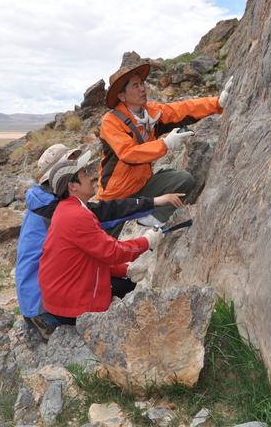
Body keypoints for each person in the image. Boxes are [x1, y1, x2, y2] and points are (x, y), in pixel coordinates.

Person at [15, 143, 183, 338]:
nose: (90, 176)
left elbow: (83, 254)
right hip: (42, 303)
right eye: (80, 170)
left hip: (50, 290)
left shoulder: (54, 203)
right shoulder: (58, 211)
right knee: (124, 294)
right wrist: (147, 240)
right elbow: (108, 245)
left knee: (124, 284)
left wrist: (125, 269)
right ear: (68, 182)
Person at [98, 62, 233, 234]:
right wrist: (165, 144)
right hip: (116, 198)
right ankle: (133, 224)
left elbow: (182, 109)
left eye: (142, 83)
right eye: (135, 85)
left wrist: (217, 103)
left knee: (184, 180)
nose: (142, 89)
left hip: (143, 186)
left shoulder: (150, 112)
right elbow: (128, 153)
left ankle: (148, 221)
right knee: (108, 248)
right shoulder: (111, 122)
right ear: (122, 96)